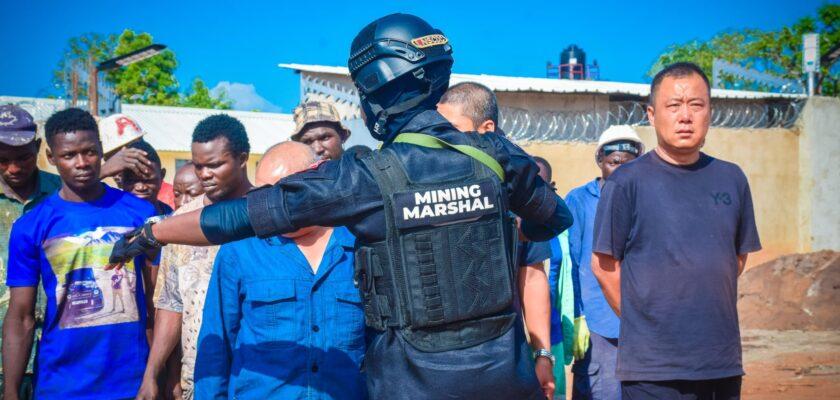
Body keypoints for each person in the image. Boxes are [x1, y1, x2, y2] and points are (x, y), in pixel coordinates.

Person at [110, 13, 572, 400]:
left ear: (375, 89)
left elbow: (243, 216)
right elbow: (553, 219)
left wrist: (152, 234)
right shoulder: (496, 154)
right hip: (504, 377)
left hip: (411, 383)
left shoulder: (366, 175)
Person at [591, 62, 761, 400]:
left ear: (709, 112)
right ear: (652, 115)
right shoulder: (627, 182)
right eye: (674, 106)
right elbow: (604, 265)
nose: (686, 116)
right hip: (653, 369)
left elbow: (736, 257)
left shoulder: (732, 178)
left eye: (696, 105)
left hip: (720, 361)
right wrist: (647, 322)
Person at [3, 108, 156, 399]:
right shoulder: (31, 225)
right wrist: (10, 391)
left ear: (102, 151)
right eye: (69, 155)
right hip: (60, 384)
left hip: (131, 383)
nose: (82, 163)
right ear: (50, 157)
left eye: (89, 152)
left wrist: (158, 373)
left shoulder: (140, 214)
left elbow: (156, 302)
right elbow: (20, 316)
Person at [195, 141, 367, 399]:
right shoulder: (240, 250)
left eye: (282, 193)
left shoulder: (359, 244)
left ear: (316, 181)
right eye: (262, 194)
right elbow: (215, 347)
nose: (270, 204)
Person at [438, 81, 556, 398]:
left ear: (486, 128)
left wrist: (542, 354)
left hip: (503, 357)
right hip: (438, 361)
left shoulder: (517, 188)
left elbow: (531, 276)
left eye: (453, 130)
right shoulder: (427, 181)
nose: (442, 141)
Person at [136, 114, 254, 400]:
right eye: (198, 166)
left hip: (259, 378)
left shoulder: (268, 216)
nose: (204, 174)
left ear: (242, 158)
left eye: (214, 165)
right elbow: (171, 303)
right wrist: (153, 373)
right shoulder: (178, 223)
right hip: (200, 380)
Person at [565, 125, 643, 400]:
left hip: (641, 321)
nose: (620, 170)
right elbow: (571, 262)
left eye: (629, 164)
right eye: (613, 163)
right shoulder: (580, 200)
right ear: (600, 160)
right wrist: (578, 315)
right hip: (598, 321)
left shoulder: (647, 199)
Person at [0, 104, 61, 399]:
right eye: (2, 160)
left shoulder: (64, 194)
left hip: (54, 356)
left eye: (23, 157)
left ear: (38, 147)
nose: (13, 168)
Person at [117, 140, 173, 217]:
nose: (140, 187)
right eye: (131, 180)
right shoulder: (111, 216)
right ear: (121, 178)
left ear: (162, 175)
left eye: (147, 179)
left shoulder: (170, 214)